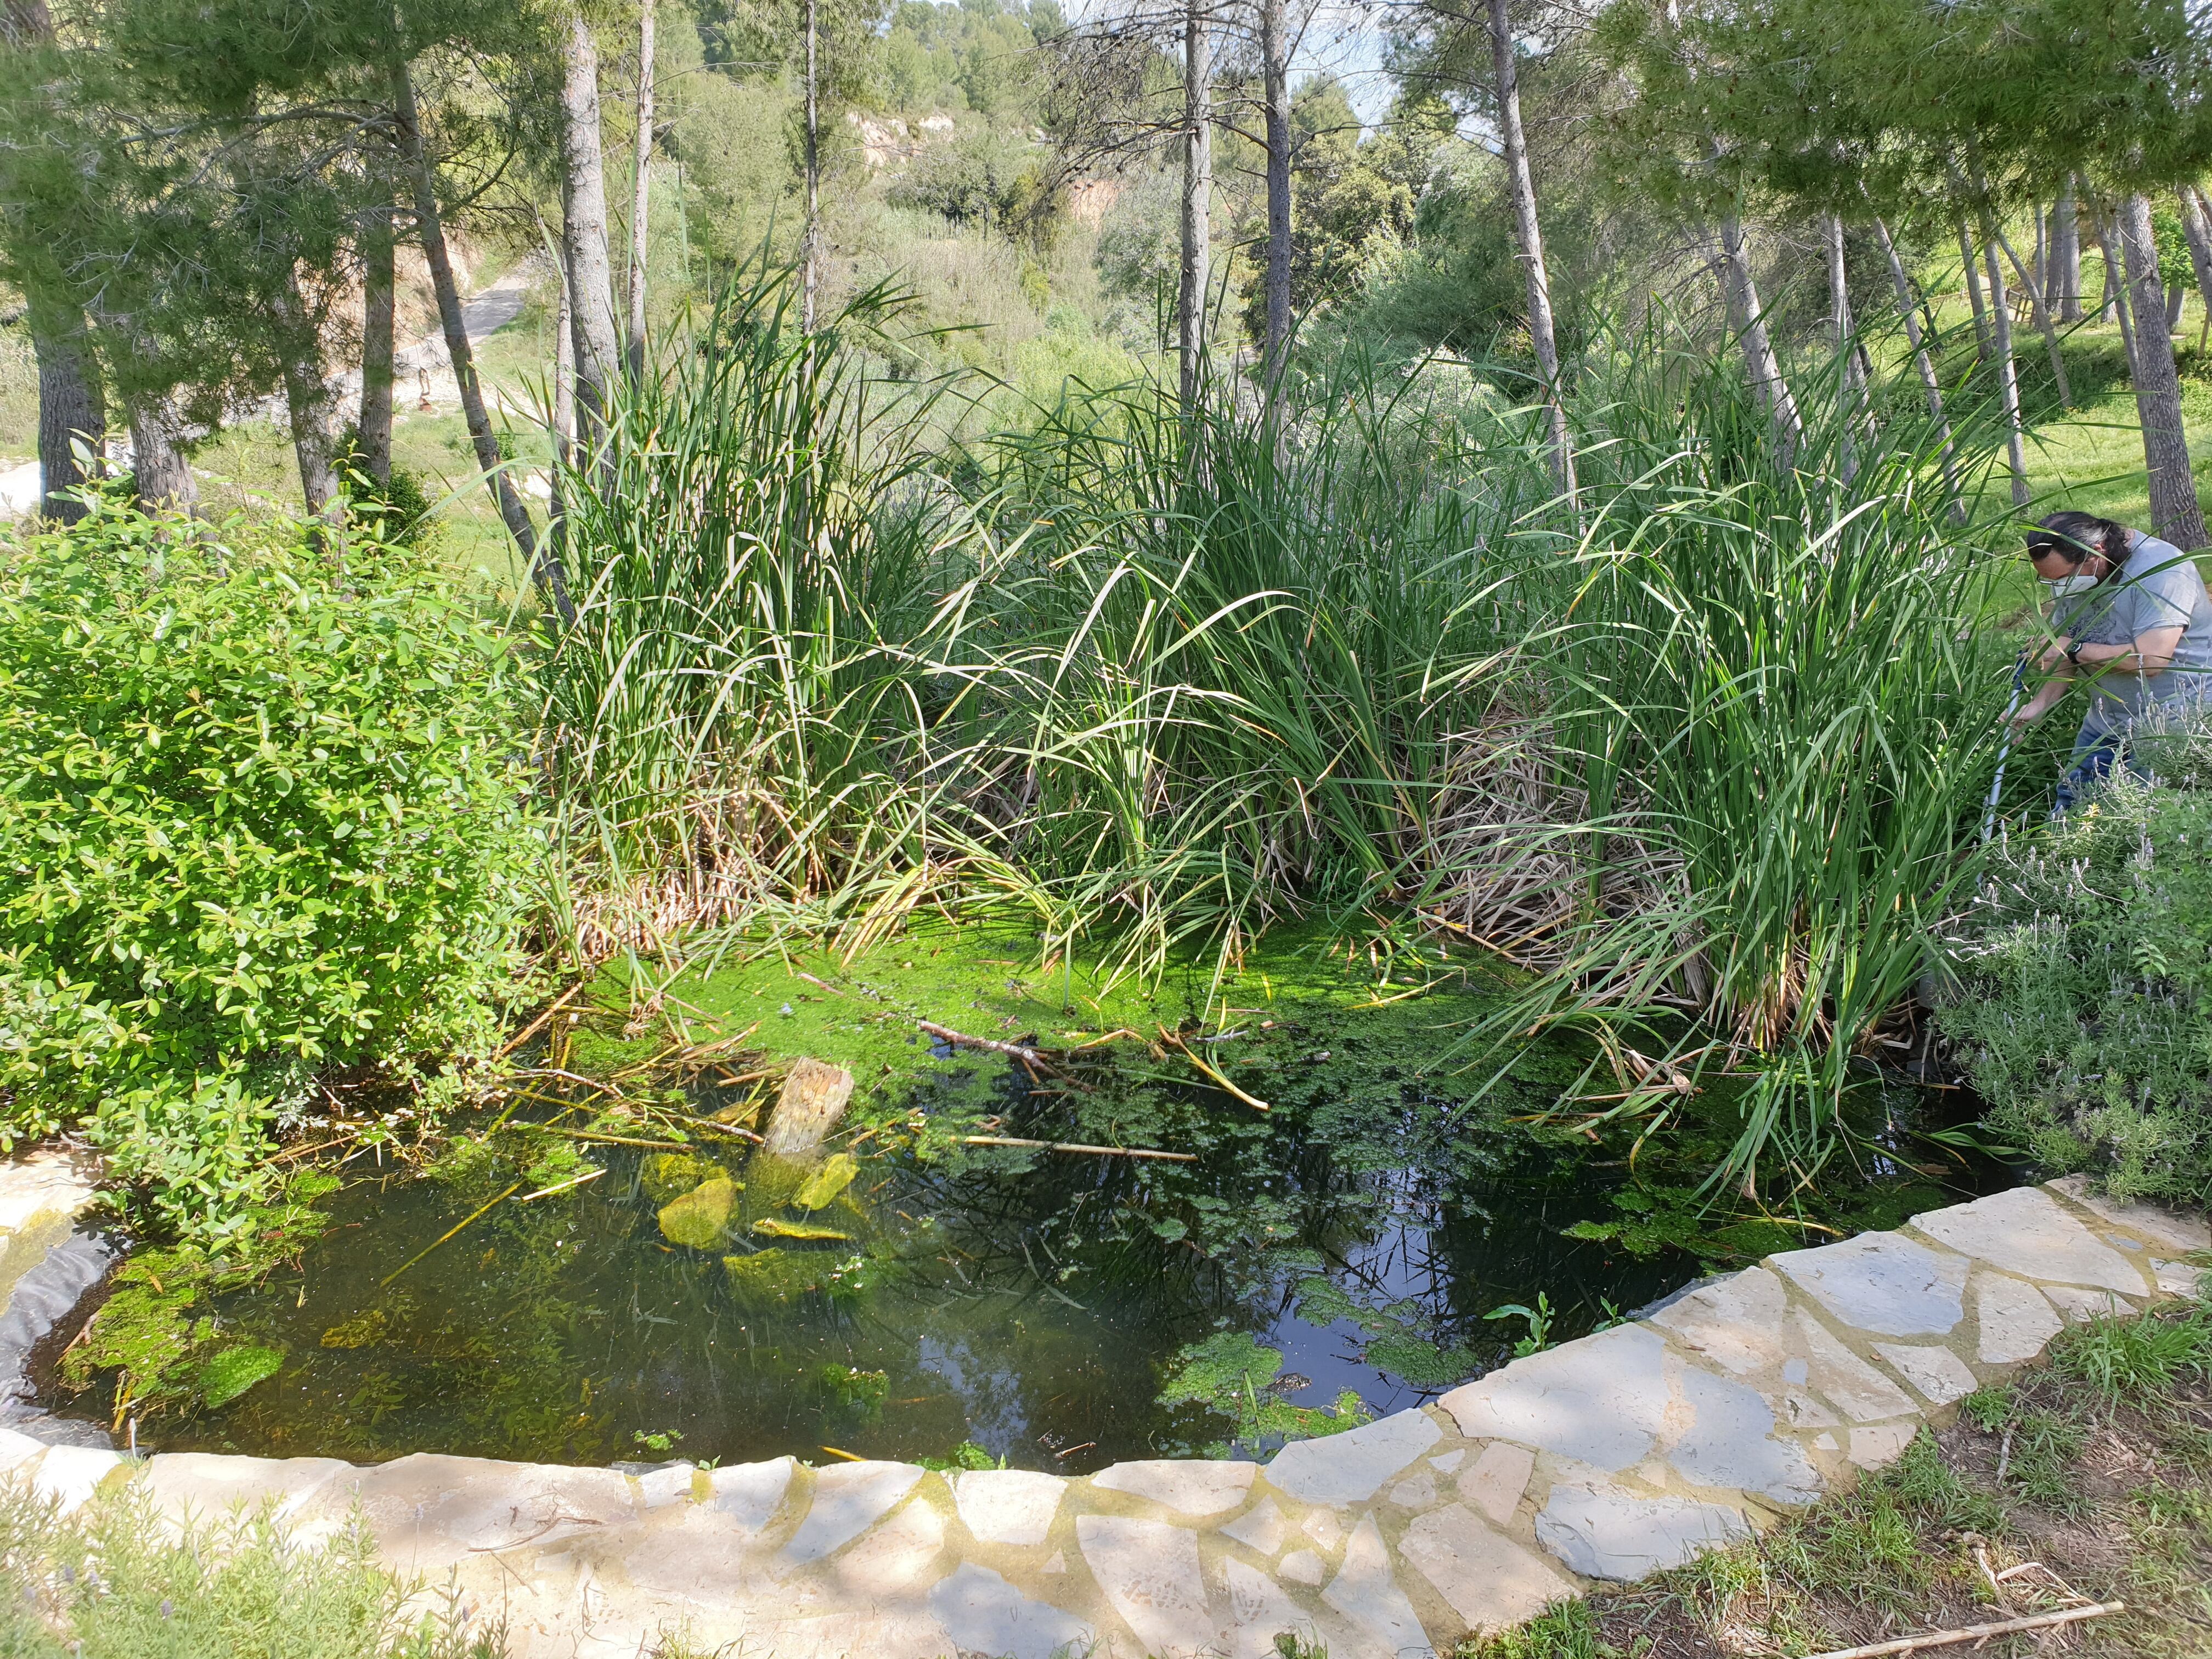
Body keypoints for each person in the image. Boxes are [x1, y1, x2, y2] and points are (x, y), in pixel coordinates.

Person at [2009, 509, 2212, 808]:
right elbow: (2065, 641)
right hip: (2107, 718)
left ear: (2097, 552)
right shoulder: (2077, 574)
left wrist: (2074, 648)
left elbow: (2152, 659)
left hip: (2173, 721)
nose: (2059, 588)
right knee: (2073, 803)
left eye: (2064, 578)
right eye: (2049, 581)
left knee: (2146, 817)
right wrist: (2041, 704)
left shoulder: (2163, 571)